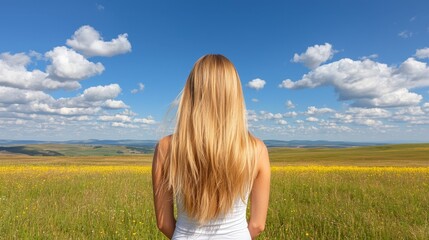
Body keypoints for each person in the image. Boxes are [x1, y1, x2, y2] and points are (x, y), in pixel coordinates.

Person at [152, 54, 270, 239]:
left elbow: (163, 223)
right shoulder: (257, 149)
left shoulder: (166, 147)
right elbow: (257, 225)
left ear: (190, 92)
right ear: (234, 95)